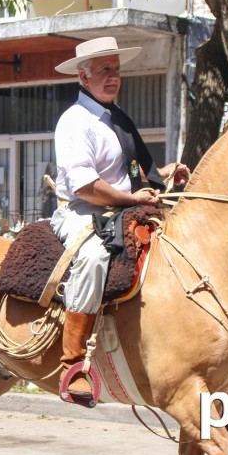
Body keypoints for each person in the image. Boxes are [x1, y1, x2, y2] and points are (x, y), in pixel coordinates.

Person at [51, 37, 190, 399]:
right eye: (104, 71)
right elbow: (85, 187)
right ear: (84, 76)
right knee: (95, 257)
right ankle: (72, 364)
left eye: (116, 70)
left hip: (124, 208)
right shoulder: (74, 122)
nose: (113, 77)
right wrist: (132, 197)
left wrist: (164, 173)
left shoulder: (116, 118)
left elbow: (126, 171)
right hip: (83, 212)